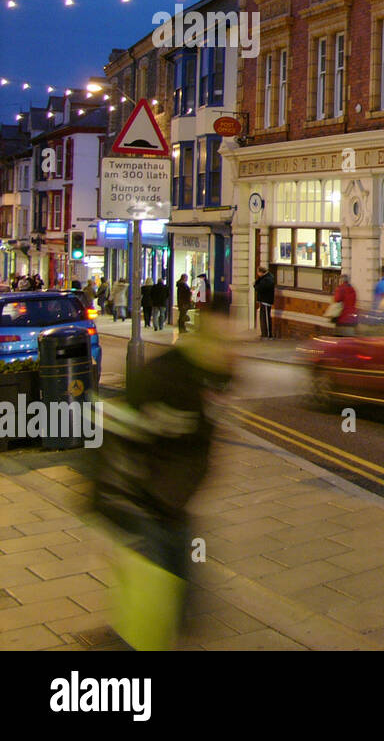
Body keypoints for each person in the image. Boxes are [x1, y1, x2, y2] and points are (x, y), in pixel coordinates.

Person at [91, 292, 235, 649]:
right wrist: (107, 499)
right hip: (140, 499)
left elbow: (198, 443)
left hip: (173, 500)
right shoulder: (164, 377)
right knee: (149, 592)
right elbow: (116, 432)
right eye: (220, 345)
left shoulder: (212, 381)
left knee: (180, 582)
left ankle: (169, 624)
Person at [254, 265, 276, 338]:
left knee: (266, 318)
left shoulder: (268, 279)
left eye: (258, 272)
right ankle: (264, 333)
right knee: (263, 317)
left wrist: (256, 286)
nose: (258, 274)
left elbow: (261, 288)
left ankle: (268, 334)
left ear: (261, 272)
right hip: (263, 300)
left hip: (266, 300)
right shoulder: (264, 278)